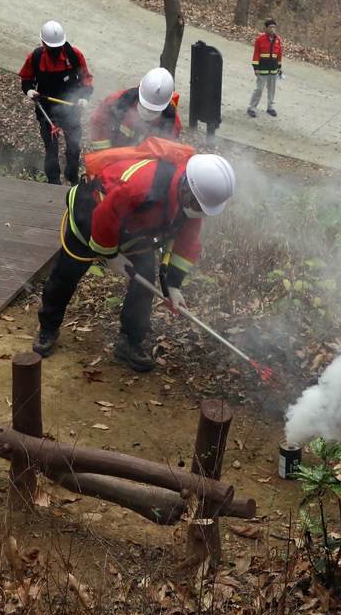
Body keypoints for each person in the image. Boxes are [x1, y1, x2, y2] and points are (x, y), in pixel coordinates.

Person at [33, 152, 235, 372]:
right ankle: (48, 327)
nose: (198, 211)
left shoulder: (191, 203)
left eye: (202, 208)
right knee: (66, 275)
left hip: (135, 232)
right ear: (187, 189)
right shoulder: (140, 185)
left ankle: (129, 342)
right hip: (91, 214)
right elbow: (105, 215)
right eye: (197, 205)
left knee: (144, 281)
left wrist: (174, 285)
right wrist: (110, 255)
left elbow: (188, 241)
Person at [19, 20, 94, 185]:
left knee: (74, 147)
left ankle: (72, 177)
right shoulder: (36, 57)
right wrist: (29, 90)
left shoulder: (74, 56)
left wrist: (84, 97)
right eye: (51, 47)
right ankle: (53, 181)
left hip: (71, 109)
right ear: (43, 43)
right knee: (51, 149)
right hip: (46, 109)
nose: (54, 50)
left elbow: (86, 79)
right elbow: (26, 79)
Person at [89, 67, 181, 151]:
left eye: (154, 110)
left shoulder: (171, 121)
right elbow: (98, 125)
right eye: (144, 106)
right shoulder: (117, 101)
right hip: (114, 155)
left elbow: (166, 151)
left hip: (143, 165)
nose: (147, 112)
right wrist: (104, 155)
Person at [247, 18, 283, 118]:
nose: (273, 29)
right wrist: (256, 67)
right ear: (266, 28)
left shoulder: (277, 40)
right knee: (259, 89)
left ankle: (270, 107)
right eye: (271, 27)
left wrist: (279, 67)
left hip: (273, 69)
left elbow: (279, 54)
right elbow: (256, 54)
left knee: (272, 90)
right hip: (262, 69)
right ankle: (252, 108)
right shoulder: (260, 39)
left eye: (274, 27)